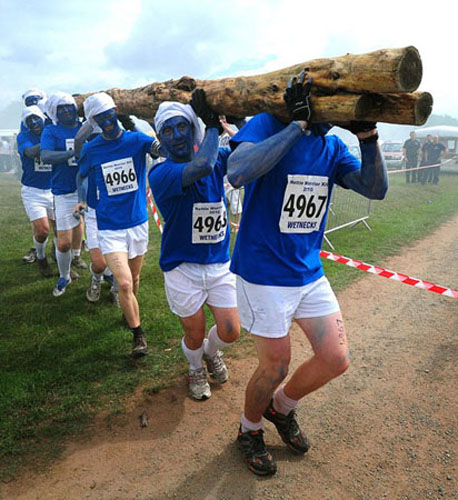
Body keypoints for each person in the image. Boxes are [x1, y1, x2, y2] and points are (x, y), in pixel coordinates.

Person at [227, 72, 388, 476]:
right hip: (262, 272)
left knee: (336, 359)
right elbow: (238, 171)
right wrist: (296, 127)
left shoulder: (332, 147)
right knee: (275, 365)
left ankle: (280, 408)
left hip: (307, 272)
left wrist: (368, 137)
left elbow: (375, 188)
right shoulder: (267, 123)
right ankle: (249, 430)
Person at [148, 92, 240, 400]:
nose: (175, 136)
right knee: (194, 332)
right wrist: (212, 126)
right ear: (159, 136)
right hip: (181, 267)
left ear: (192, 128)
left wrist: (237, 126)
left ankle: (210, 353)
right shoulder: (161, 172)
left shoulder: (214, 159)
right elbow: (201, 166)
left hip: (218, 263)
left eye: (182, 127)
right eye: (167, 131)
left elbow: (241, 155)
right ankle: (194, 366)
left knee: (230, 331)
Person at [75, 92, 160, 358]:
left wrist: (153, 118)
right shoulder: (92, 148)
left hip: (137, 222)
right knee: (123, 284)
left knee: (134, 279)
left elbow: (162, 148)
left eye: (109, 115)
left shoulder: (136, 140)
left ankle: (129, 312)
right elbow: (81, 173)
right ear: (95, 121)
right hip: (109, 225)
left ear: (116, 112)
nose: (107, 121)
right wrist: (84, 201)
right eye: (100, 118)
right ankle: (138, 334)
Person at [40, 92, 86, 296]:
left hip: (89, 189)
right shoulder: (51, 131)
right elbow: (46, 155)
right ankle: (64, 275)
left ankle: (105, 274)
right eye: (61, 108)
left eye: (69, 106)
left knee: (101, 236)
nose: (67, 110)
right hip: (64, 191)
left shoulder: (85, 127)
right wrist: (72, 153)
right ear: (55, 112)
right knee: (64, 241)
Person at [16, 105, 55, 277]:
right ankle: (41, 257)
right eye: (29, 120)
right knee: (42, 230)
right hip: (33, 191)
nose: (33, 122)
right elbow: (31, 152)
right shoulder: (23, 136)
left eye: (36, 118)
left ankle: (61, 260)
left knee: (61, 231)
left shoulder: (51, 130)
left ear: (43, 118)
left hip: (55, 189)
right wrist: (48, 142)